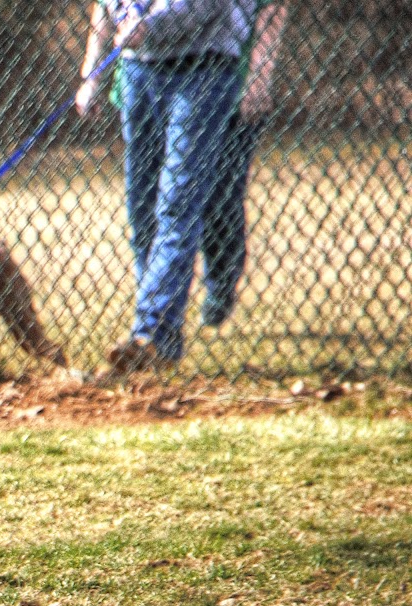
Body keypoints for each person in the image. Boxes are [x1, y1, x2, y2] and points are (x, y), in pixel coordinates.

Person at [77, 0, 257, 371]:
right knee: (141, 212)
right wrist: (92, 74)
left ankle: (150, 335)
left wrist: (151, 27)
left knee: (177, 206)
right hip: (138, 71)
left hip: (203, 69)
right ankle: (161, 343)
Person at [200, 2, 285, 327]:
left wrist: (260, 76)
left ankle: (220, 288)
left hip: (235, 89)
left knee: (220, 195)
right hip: (184, 82)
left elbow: (273, 11)